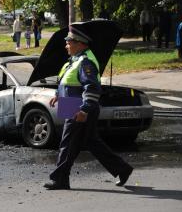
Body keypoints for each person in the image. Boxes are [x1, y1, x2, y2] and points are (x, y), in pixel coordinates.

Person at [43, 25, 133, 190]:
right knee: (91, 142)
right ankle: (122, 169)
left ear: (79, 43)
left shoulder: (86, 62)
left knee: (67, 143)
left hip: (78, 108)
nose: (66, 45)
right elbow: (68, 81)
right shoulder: (75, 60)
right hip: (72, 105)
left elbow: (92, 88)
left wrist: (84, 110)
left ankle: (60, 179)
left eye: (68, 42)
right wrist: (58, 94)